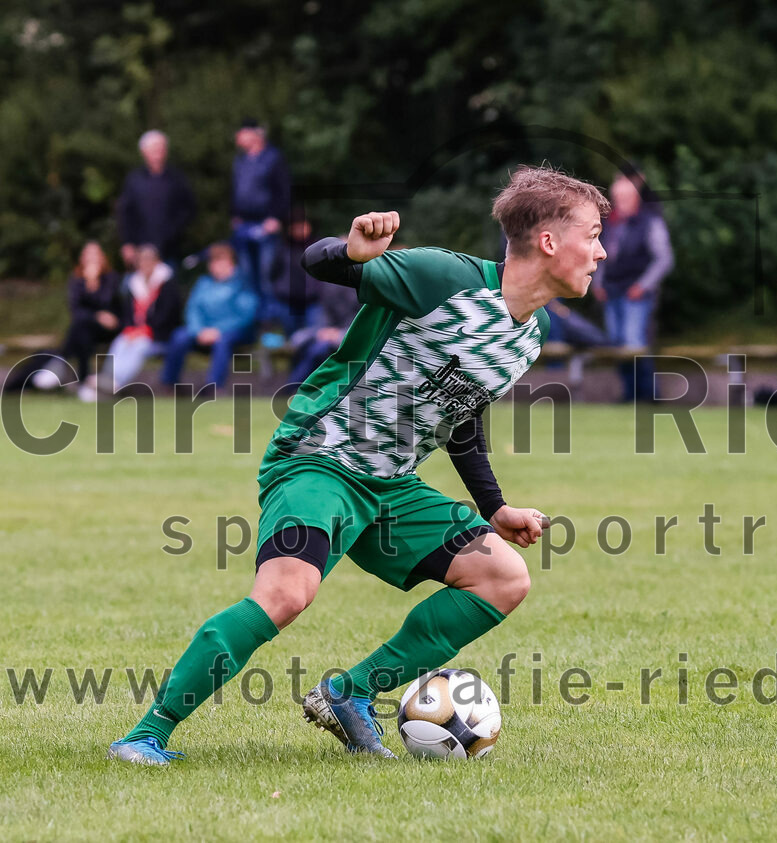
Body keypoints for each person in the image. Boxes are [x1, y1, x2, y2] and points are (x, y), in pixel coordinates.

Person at [107, 164, 609, 766]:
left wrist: (495, 508)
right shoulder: (444, 278)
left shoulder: (532, 332)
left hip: (389, 485)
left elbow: (461, 415)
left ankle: (348, 695)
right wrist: (351, 250)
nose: (601, 251)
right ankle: (146, 734)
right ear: (550, 242)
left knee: (503, 577)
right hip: (319, 459)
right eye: (595, 234)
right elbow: (320, 263)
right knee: (288, 594)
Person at [590, 172, 674, 402]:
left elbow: (664, 258)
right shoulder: (610, 222)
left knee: (634, 342)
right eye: (617, 196)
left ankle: (648, 395)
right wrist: (597, 282)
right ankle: (629, 394)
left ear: (636, 196)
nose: (620, 201)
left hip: (636, 294)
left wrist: (643, 285)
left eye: (625, 196)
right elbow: (600, 254)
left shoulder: (650, 221)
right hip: (612, 291)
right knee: (617, 342)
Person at [83, 244, 180, 399]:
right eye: (142, 261)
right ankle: (105, 381)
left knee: (139, 347)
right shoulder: (133, 283)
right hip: (135, 332)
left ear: (157, 262)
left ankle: (117, 383)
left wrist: (146, 330)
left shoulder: (167, 284)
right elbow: (127, 315)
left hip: (157, 335)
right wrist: (131, 329)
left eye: (149, 260)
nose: (145, 264)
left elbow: (169, 315)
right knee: (120, 343)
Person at [161, 243, 260, 390]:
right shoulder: (203, 283)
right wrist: (198, 330)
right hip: (203, 332)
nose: (216, 266)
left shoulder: (242, 283)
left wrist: (217, 330)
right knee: (179, 336)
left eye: (220, 261)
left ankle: (214, 388)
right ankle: (169, 384)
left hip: (234, 333)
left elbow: (246, 315)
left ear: (231, 263)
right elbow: (193, 309)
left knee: (223, 341)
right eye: (213, 262)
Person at [29, 243, 121, 391]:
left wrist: (94, 283)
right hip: (85, 329)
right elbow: (76, 311)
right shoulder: (77, 280)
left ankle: (61, 359)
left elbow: (108, 303)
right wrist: (96, 314)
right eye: (88, 255)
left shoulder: (111, 278)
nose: (92, 259)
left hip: (107, 330)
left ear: (103, 258)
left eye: (95, 255)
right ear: (82, 259)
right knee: (81, 330)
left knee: (79, 329)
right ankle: (84, 380)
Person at [230, 120, 291, 304]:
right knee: (247, 274)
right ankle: (252, 320)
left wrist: (276, 218)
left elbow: (284, 191)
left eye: (242, 132)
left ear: (255, 135)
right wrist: (235, 215)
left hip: (266, 224)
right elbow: (236, 190)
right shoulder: (240, 161)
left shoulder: (273, 158)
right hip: (244, 225)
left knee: (267, 274)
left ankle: (271, 322)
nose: (237, 137)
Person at [116, 130, 196, 269]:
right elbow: (125, 212)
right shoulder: (134, 180)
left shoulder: (177, 178)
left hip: (170, 248)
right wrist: (127, 242)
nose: (158, 152)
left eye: (161, 148)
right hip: (140, 249)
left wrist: (173, 231)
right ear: (144, 152)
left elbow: (189, 208)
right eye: (153, 148)